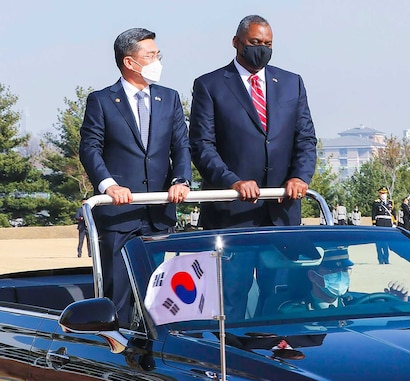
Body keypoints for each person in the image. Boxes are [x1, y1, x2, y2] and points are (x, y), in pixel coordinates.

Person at [79, 27, 191, 325]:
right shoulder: (102, 101)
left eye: (158, 54)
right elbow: (90, 149)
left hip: (159, 214)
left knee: (163, 297)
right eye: (150, 55)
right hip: (119, 215)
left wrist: (181, 179)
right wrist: (109, 185)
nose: (157, 60)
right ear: (130, 62)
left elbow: (181, 145)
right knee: (118, 296)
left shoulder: (169, 98)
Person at [189, 15, 316, 229]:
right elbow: (202, 145)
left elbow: (305, 139)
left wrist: (299, 177)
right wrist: (232, 181)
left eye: (268, 44)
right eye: (255, 43)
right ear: (236, 42)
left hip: (282, 211)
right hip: (231, 212)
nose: (262, 49)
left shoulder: (291, 83)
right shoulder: (210, 85)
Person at [277, 247, 408, 312]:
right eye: (332, 271)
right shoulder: (293, 311)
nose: (340, 276)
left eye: (344, 270)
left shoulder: (357, 304)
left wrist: (398, 304)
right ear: (313, 276)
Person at [372, 187, 394, 262]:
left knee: (386, 242)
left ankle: (386, 258)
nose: (383, 195)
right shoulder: (376, 203)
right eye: (382, 193)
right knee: (379, 242)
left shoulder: (390, 203)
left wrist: (394, 223)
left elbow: (393, 213)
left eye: (384, 193)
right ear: (379, 194)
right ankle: (380, 258)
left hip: (388, 224)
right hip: (380, 223)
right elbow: (373, 214)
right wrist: (374, 224)